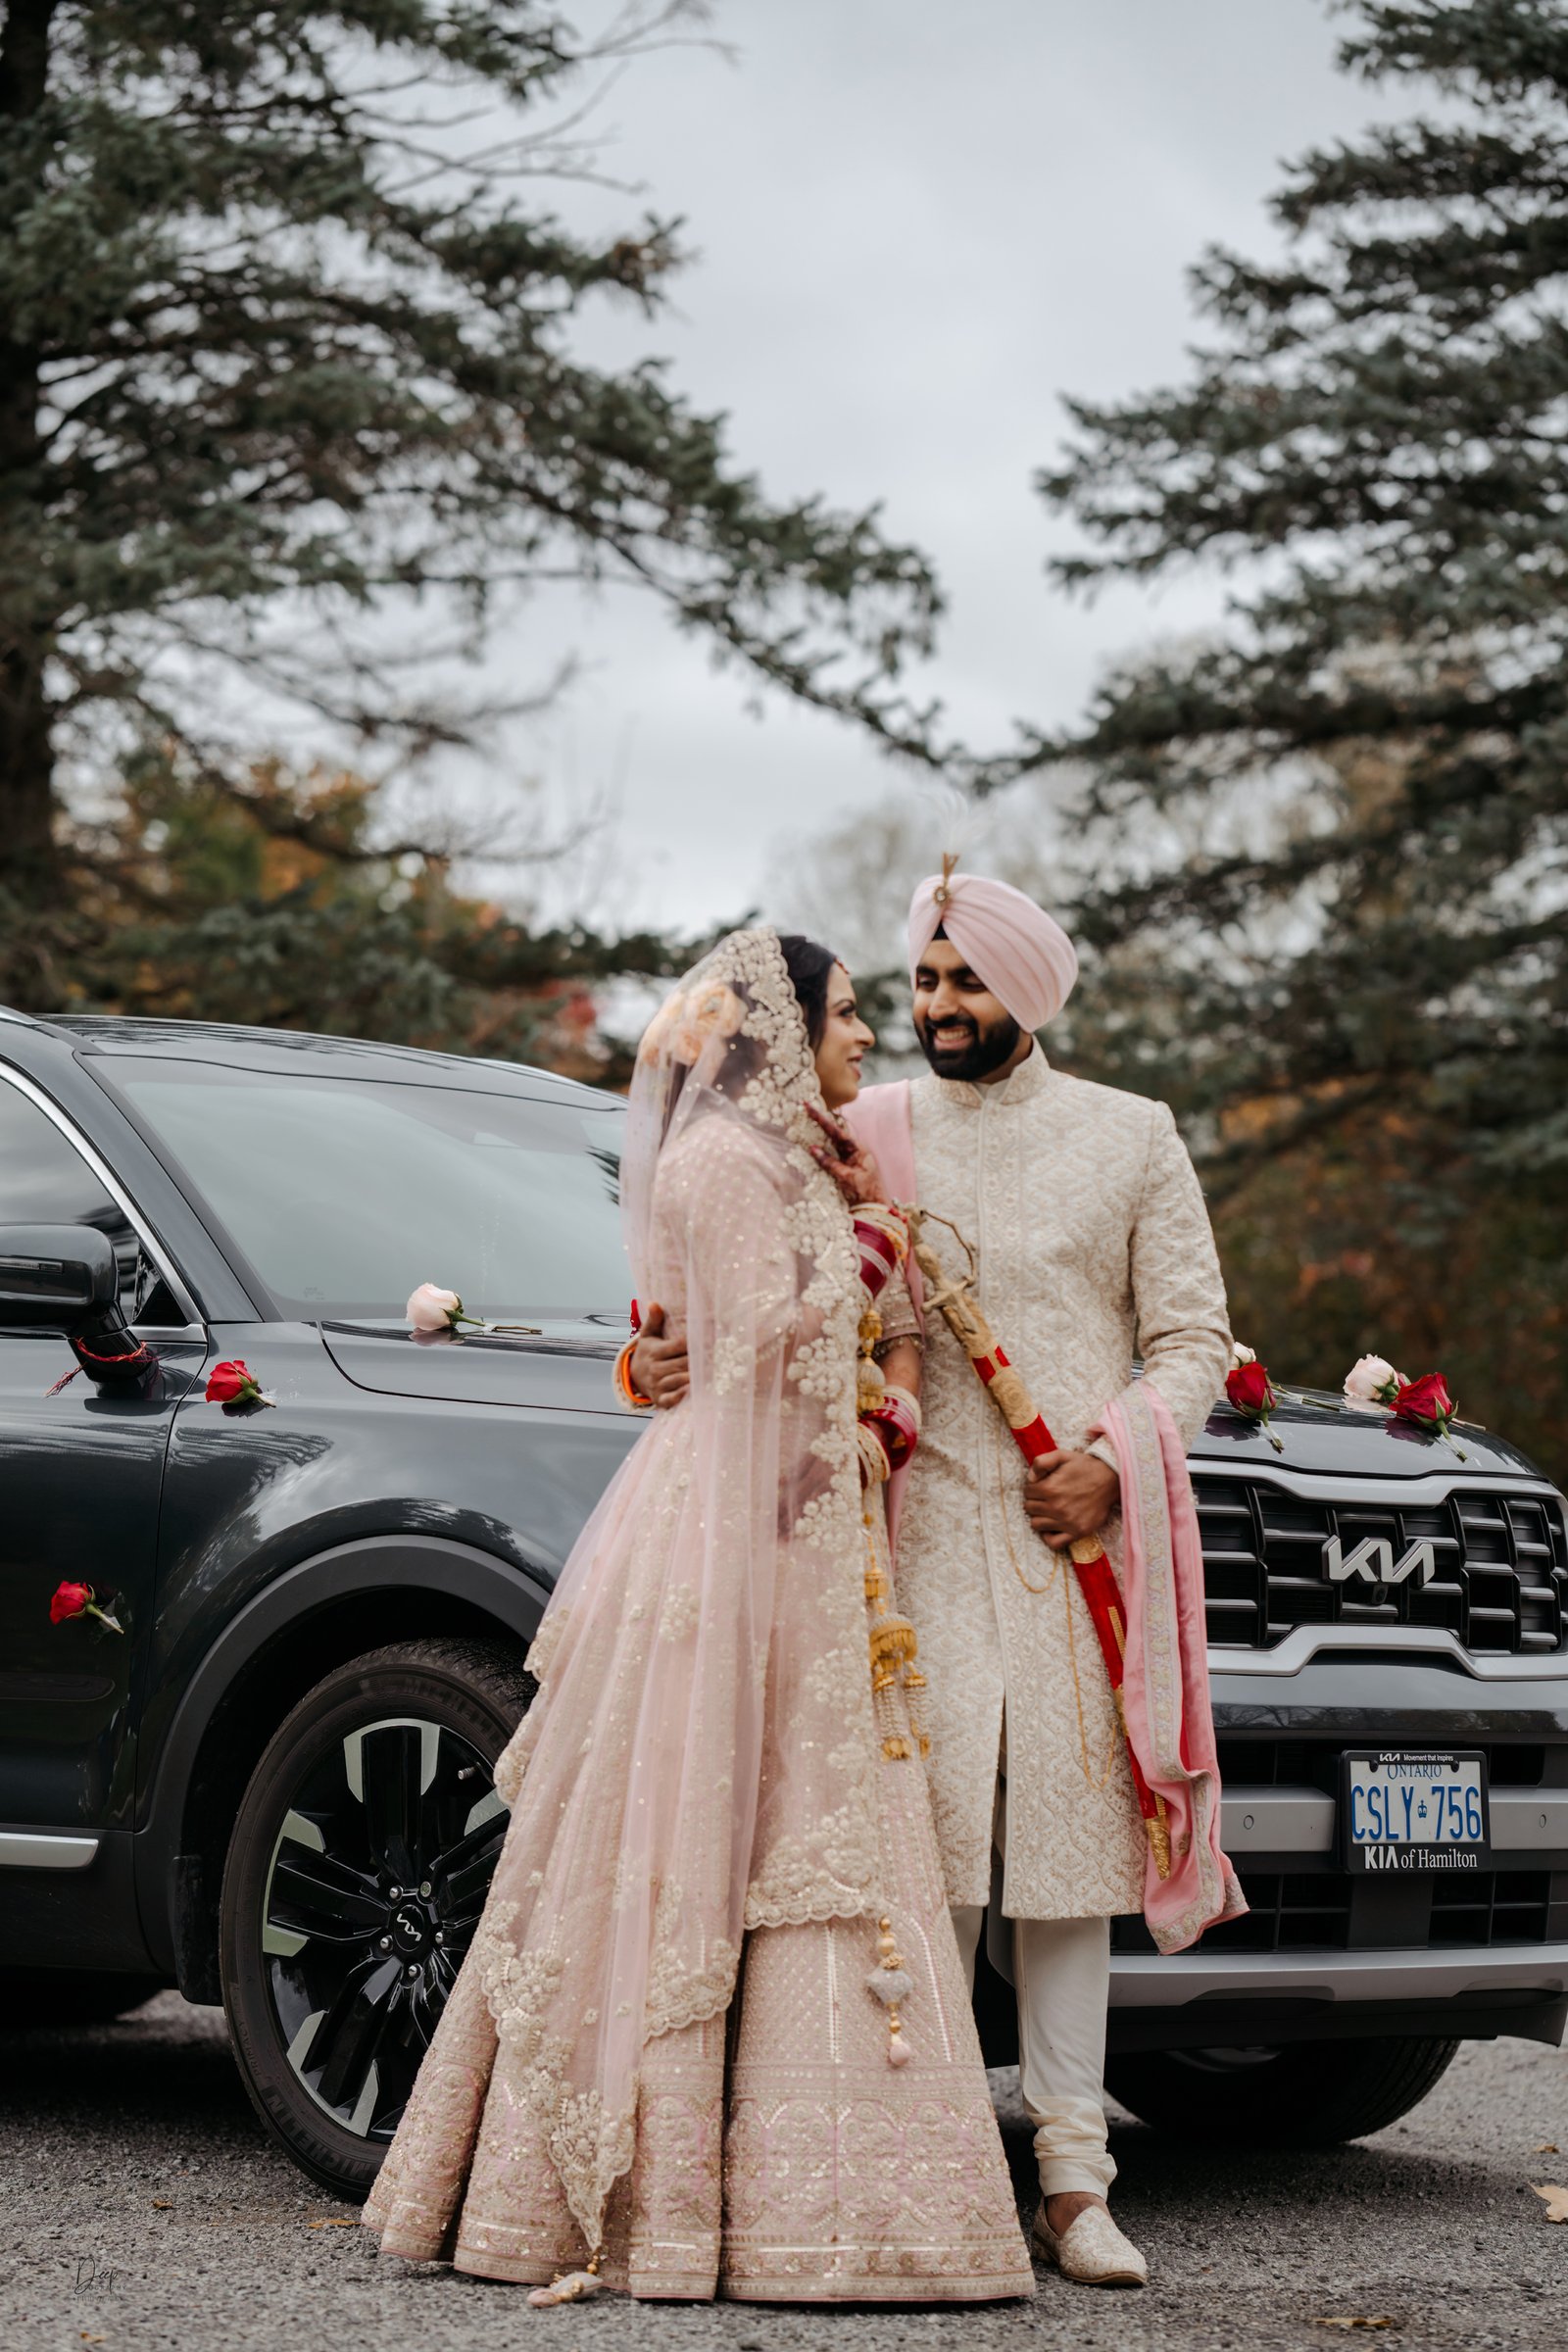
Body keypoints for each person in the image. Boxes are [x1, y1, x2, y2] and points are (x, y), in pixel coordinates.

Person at [364, 925, 1034, 2306]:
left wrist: (875, 1339)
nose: (867, 1035)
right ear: (781, 1030)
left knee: (807, 1823)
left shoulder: (797, 1159)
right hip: (729, 1536)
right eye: (846, 1014)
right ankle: (652, 2203)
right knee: (697, 1815)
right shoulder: (724, 1162)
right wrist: (863, 1246)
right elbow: (751, 1345)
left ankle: (835, 2192)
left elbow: (829, 1342)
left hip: (801, 1525)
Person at [634, 869, 1244, 2290]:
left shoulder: (1132, 1138)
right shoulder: (871, 1126)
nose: (934, 1008)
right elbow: (734, 1253)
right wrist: (649, 1354)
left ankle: (1077, 2179)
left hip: (1071, 1545)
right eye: (918, 983)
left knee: (1071, 1871)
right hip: (903, 1545)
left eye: (963, 983)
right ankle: (940, 2163)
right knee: (926, 1858)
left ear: (1026, 990)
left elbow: (1197, 1344)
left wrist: (1112, 1457)